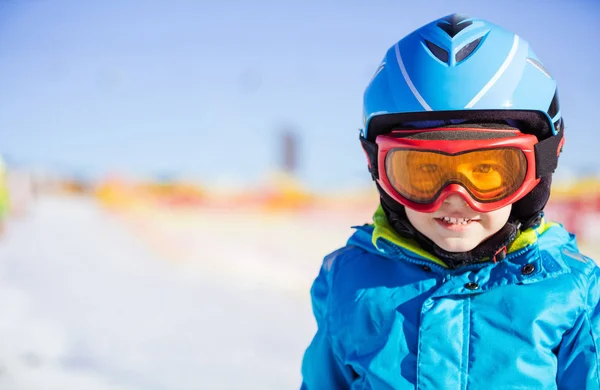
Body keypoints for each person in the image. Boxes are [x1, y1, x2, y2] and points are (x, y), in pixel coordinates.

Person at [300, 14, 600, 389]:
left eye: (488, 172)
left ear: (538, 169)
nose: (455, 199)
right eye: (423, 172)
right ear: (379, 170)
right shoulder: (352, 285)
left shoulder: (569, 292)